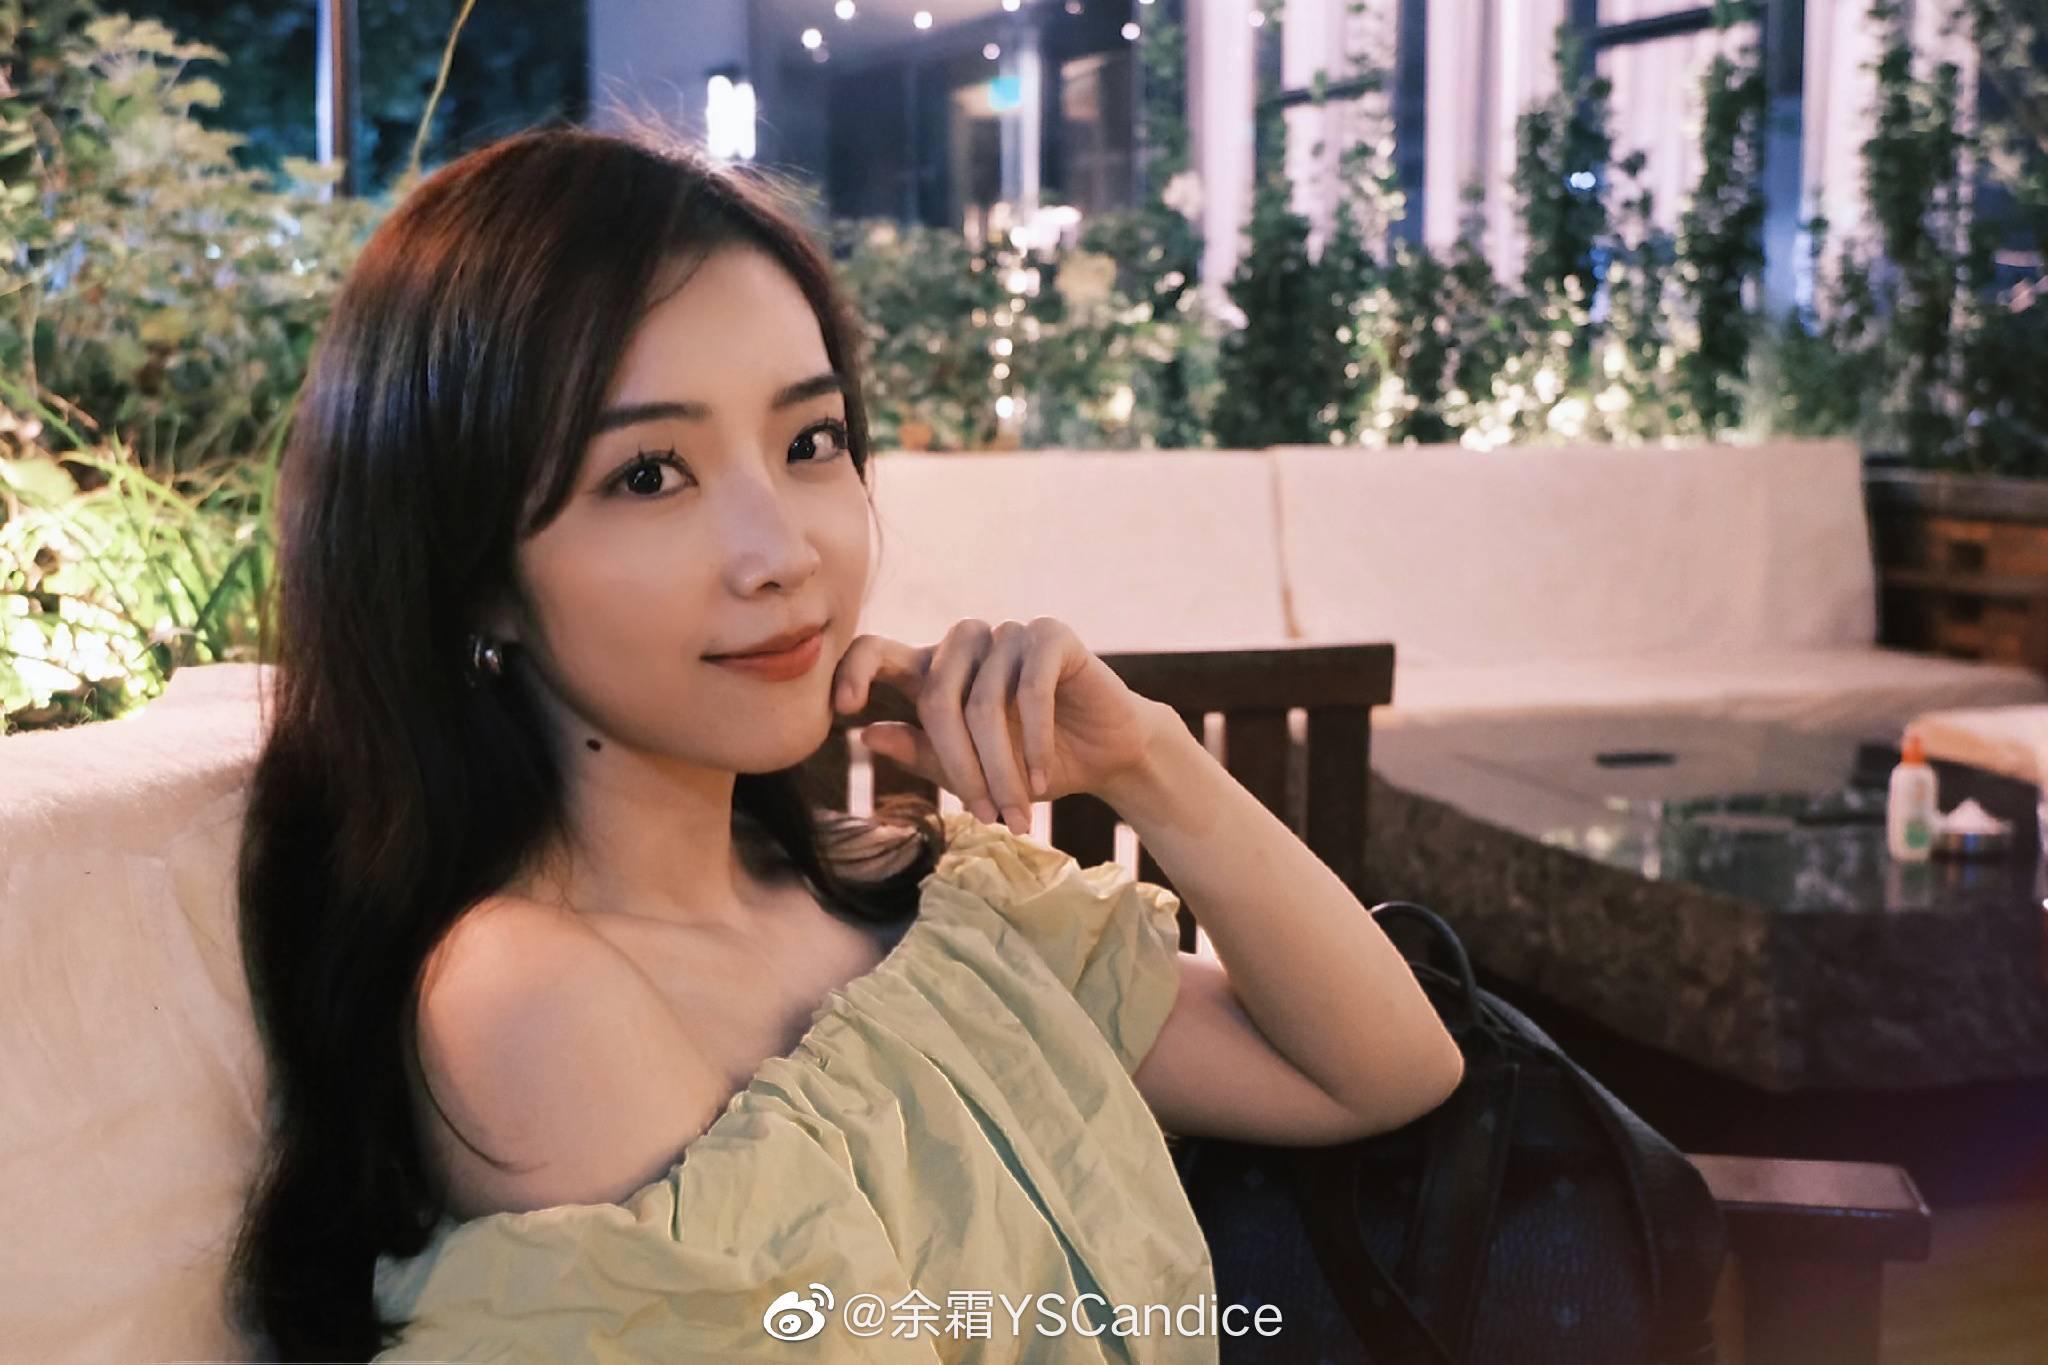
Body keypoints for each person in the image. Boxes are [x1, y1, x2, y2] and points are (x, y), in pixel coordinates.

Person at [225, 123, 1465, 1363]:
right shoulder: (532, 998)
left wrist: (1146, 760)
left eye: (809, 442)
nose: (782, 552)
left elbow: (1382, 1071)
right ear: (473, 576)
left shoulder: (893, 901)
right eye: (649, 474)